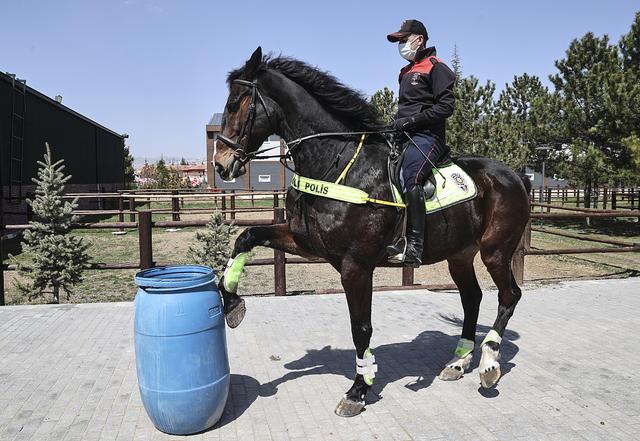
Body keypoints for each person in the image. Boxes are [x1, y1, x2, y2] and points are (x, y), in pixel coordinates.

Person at [385, 19, 456, 267]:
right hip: (404, 135)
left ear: (419, 39)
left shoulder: (437, 68)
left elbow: (446, 107)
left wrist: (412, 121)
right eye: (399, 42)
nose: (401, 45)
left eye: (404, 40)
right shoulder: (405, 72)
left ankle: (414, 246)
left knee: (411, 177)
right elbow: (405, 108)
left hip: (428, 138)